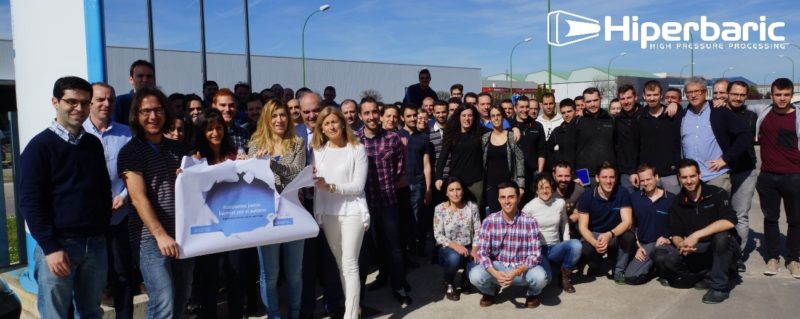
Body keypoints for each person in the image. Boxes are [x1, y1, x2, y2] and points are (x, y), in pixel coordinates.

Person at [21, 76, 111, 318]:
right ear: (55, 102)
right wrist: (51, 247)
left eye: (84, 103)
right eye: (71, 102)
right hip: (59, 246)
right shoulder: (39, 147)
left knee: (92, 311)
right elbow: (30, 202)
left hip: (95, 244)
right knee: (56, 314)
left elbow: (102, 189)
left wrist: (102, 230)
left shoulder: (92, 144)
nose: (79, 108)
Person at [118, 86, 193, 317]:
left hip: (182, 235)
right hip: (150, 239)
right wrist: (161, 235)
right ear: (137, 116)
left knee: (181, 299)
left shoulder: (178, 148)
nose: (153, 116)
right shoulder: (130, 151)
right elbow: (138, 199)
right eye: (146, 111)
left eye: (158, 110)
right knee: (163, 303)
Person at [248, 100, 307, 319]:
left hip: (293, 214)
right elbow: (253, 178)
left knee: (294, 274)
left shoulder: (297, 142)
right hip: (265, 216)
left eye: (283, 115)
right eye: (274, 116)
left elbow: (295, 173)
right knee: (269, 275)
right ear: (266, 119)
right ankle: (274, 316)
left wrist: (269, 163)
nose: (279, 120)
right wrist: (254, 162)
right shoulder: (255, 143)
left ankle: (295, 313)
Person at [652, 159, 738, 304]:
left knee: (722, 237)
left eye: (692, 176)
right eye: (684, 177)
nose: (689, 181)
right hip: (696, 250)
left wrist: (696, 235)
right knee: (660, 255)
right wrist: (681, 245)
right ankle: (706, 275)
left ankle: (719, 288)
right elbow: (676, 233)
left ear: (700, 175)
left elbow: (729, 221)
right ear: (679, 178)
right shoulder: (677, 202)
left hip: (721, 247)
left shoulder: (717, 194)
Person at [83, 82, 136, 319]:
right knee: (90, 279)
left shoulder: (127, 133)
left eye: (111, 100)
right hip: (88, 222)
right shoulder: (78, 133)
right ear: (90, 102)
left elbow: (134, 171)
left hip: (119, 217)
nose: (107, 104)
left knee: (122, 276)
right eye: (101, 99)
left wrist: (124, 196)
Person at [311, 107, 369, 319]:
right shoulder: (318, 151)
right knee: (341, 264)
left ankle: (350, 314)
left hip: (352, 211)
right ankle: (355, 309)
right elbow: (314, 184)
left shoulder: (357, 149)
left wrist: (332, 187)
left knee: (350, 263)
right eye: (326, 124)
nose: (331, 126)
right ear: (321, 129)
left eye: (334, 122)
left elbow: (358, 186)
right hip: (328, 213)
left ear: (343, 123)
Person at [191, 108, 249, 318]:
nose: (215, 133)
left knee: (236, 274)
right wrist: (184, 174)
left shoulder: (234, 154)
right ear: (201, 133)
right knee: (209, 277)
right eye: (209, 130)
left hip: (234, 226)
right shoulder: (195, 158)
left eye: (218, 128)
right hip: (207, 228)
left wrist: (246, 166)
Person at [356, 97, 412, 306]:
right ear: (361, 116)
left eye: (374, 112)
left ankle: (398, 285)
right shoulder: (353, 140)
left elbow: (399, 169)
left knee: (394, 247)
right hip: (363, 204)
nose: (371, 117)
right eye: (367, 113)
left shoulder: (392, 139)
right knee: (366, 250)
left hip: (388, 202)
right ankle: (360, 293)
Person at [746, 78, 800, 277]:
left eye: (786, 95)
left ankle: (794, 259)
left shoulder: (798, 116)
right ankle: (773, 257)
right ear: (771, 94)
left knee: (795, 220)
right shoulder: (763, 111)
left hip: (795, 176)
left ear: (792, 95)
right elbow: (737, 102)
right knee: (771, 219)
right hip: (768, 176)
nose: (782, 99)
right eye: (778, 94)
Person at [469, 182, 549, 308]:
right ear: (498, 199)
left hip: (521, 268)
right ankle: (490, 292)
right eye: (503, 197)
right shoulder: (489, 221)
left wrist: (515, 272)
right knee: (474, 275)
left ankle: (532, 294)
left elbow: (535, 255)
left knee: (541, 278)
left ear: (518, 198)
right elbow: (482, 252)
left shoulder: (530, 222)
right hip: (498, 266)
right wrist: (495, 274)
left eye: (511, 197)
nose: (507, 201)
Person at [679, 76, 751, 193]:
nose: (693, 95)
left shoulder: (719, 111)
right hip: (690, 179)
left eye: (697, 91)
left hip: (716, 177)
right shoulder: (683, 116)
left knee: (718, 211)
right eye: (689, 92)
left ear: (705, 92)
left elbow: (745, 135)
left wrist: (726, 159)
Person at [576, 162, 635, 283]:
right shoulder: (587, 196)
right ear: (597, 178)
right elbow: (582, 227)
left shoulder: (622, 192)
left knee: (629, 236)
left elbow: (627, 221)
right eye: (604, 177)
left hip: (614, 234)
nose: (609, 181)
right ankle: (595, 264)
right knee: (584, 249)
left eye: (612, 177)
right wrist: (594, 242)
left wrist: (610, 234)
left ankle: (619, 270)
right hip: (594, 235)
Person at [521, 175, 581, 293]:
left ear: (552, 188)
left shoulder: (560, 203)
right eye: (541, 188)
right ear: (536, 190)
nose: (545, 191)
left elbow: (564, 221)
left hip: (555, 247)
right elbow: (522, 230)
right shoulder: (529, 207)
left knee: (576, 245)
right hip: (538, 250)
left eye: (547, 187)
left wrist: (566, 240)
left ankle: (564, 276)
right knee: (546, 279)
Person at [724, 81, 759, 273]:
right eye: (735, 94)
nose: (738, 98)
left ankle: (737, 256)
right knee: (720, 214)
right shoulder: (718, 112)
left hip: (745, 170)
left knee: (741, 215)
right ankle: (720, 254)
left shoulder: (751, 116)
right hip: (722, 171)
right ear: (728, 94)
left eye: (742, 95)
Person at [623, 164, 675, 285]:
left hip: (664, 244)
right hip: (645, 246)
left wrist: (669, 238)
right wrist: (637, 246)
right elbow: (631, 225)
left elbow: (679, 225)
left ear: (656, 177)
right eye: (642, 180)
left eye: (649, 179)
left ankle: (663, 270)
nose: (645, 183)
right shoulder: (634, 198)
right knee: (631, 278)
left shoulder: (671, 198)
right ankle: (652, 269)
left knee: (662, 257)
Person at [433, 177, 481, 301]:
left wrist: (475, 249)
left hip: (469, 246)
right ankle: (448, 281)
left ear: (463, 191)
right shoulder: (440, 209)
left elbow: (478, 231)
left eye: (458, 189)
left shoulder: (472, 206)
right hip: (447, 248)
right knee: (455, 257)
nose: (455, 193)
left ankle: (466, 276)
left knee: (478, 260)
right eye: (451, 190)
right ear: (446, 192)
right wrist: (456, 246)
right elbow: (438, 235)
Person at [435, 104, 486, 213]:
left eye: (470, 116)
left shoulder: (481, 132)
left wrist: (513, 128)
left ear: (474, 117)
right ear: (458, 117)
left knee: (476, 213)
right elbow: (443, 156)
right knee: (458, 214)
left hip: (476, 181)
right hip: (456, 182)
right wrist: (438, 176)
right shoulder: (451, 133)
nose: (467, 119)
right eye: (463, 115)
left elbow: (498, 130)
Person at [634, 80, 682, 195]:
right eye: (649, 95)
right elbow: (635, 146)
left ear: (661, 95)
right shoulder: (639, 117)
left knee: (673, 205)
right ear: (644, 96)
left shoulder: (672, 114)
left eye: (655, 95)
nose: (652, 98)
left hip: (669, 172)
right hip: (646, 174)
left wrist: (677, 105)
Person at [482, 105, 525, 214]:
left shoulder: (512, 136)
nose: (496, 118)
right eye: (493, 116)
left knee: (510, 215)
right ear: (490, 119)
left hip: (509, 185)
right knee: (494, 215)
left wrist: (521, 185)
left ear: (503, 117)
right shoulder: (485, 137)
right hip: (490, 186)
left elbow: (520, 161)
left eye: (498, 115)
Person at [574, 88, 616, 183]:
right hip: (583, 173)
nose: (592, 104)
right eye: (588, 101)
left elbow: (617, 147)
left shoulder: (611, 120)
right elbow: (570, 149)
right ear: (584, 103)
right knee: (585, 197)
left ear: (600, 99)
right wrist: (574, 175)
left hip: (607, 174)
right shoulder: (577, 121)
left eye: (595, 100)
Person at [510, 96, 546, 197]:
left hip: (533, 172)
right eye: (521, 107)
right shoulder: (508, 125)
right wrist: (513, 127)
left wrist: (539, 172)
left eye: (527, 107)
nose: (525, 110)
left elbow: (541, 150)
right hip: (514, 174)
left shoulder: (537, 126)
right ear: (515, 108)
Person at [614, 85, 642, 193]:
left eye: (629, 98)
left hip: (646, 170)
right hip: (625, 172)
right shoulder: (616, 120)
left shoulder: (645, 116)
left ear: (635, 97)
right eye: (622, 99)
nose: (626, 102)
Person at [114, 60, 156, 125]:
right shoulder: (120, 102)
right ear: (131, 80)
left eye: (149, 76)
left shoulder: (161, 102)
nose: (145, 80)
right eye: (140, 76)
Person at [546, 99, 578, 171]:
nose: (566, 115)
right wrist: (554, 166)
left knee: (585, 182)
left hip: (582, 171)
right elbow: (548, 150)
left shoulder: (584, 128)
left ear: (575, 111)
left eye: (569, 111)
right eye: (563, 113)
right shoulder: (557, 131)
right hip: (564, 173)